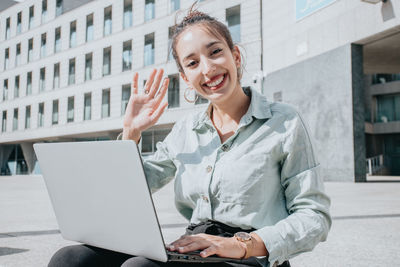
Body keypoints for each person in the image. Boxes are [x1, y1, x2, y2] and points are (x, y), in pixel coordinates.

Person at [48, 6, 331, 267]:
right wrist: (131, 133)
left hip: (251, 256)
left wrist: (241, 244)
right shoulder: (186, 130)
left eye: (215, 52)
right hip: (197, 248)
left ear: (235, 56)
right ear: (185, 77)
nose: (208, 69)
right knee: (71, 259)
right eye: (193, 63)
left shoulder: (284, 121)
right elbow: (133, 189)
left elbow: (314, 217)